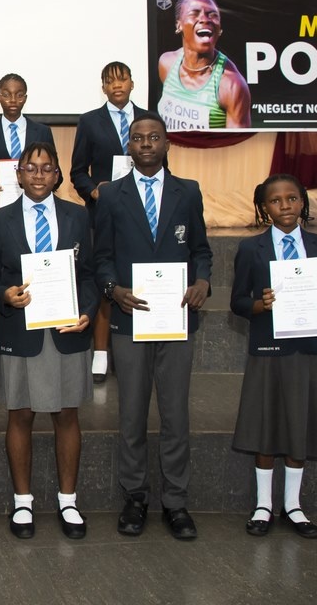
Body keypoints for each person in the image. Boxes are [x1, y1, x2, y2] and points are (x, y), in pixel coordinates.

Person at [93, 112, 211, 540]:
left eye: (154, 137)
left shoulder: (188, 191)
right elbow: (101, 257)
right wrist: (113, 290)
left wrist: (203, 281)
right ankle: (135, 497)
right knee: (132, 415)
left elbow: (201, 250)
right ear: (129, 146)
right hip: (131, 320)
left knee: (176, 415)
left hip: (176, 319)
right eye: (138, 138)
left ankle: (176, 502)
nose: (146, 143)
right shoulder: (111, 195)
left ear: (166, 144)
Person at [0, 142, 97, 540]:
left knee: (67, 415)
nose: (38, 174)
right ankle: (23, 501)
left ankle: (68, 500)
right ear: (18, 175)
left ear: (58, 175)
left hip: (67, 331)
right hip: (21, 332)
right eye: (30, 168)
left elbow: (89, 273)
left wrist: (88, 310)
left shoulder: (78, 216)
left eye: (46, 168)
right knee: (20, 416)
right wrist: (3, 295)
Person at [230, 174, 317, 539]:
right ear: (264, 208)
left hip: (306, 349)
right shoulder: (251, 248)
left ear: (303, 202)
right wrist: (259, 305)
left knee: (300, 425)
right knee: (266, 425)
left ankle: (293, 505)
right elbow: (238, 302)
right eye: (276, 201)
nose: (285, 206)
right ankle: (263, 504)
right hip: (268, 349)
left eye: (292, 198)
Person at [70, 61, 154, 384]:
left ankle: (139, 343)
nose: (117, 85)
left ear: (132, 83)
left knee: (133, 273)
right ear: (103, 87)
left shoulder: (148, 119)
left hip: (143, 214)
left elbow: (162, 163)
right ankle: (101, 352)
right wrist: (94, 192)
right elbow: (78, 171)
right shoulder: (90, 121)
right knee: (104, 278)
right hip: (102, 214)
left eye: (122, 79)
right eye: (110, 81)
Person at [157, 0, 251, 129]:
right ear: (179, 25)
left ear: (220, 28)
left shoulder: (232, 85)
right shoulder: (166, 64)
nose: (205, 19)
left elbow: (239, 141)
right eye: (194, 14)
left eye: (212, 15)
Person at [0, 73, 53, 212]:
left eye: (19, 95)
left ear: (25, 98)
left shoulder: (42, 132)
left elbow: (57, 175)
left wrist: (41, 182)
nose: (13, 100)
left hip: (36, 207)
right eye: (6, 95)